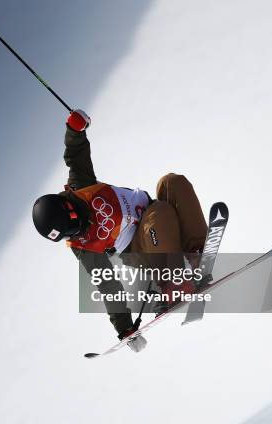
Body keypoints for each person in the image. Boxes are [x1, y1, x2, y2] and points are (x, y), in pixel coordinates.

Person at [32, 109, 208, 341]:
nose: (76, 233)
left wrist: (74, 129)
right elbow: (107, 283)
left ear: (69, 208)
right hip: (142, 248)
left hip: (155, 216)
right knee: (159, 214)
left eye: (73, 227)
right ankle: (170, 281)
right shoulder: (82, 245)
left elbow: (76, 154)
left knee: (172, 182)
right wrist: (124, 328)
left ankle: (197, 253)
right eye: (68, 235)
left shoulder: (81, 186)